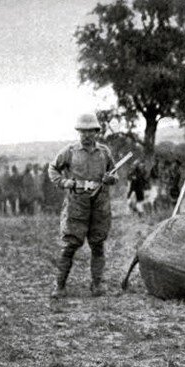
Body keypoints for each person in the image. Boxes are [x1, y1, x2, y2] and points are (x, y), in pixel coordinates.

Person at [48, 112, 117, 298]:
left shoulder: (104, 152)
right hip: (77, 202)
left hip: (99, 203)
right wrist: (64, 182)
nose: (87, 135)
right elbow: (53, 168)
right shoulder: (69, 152)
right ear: (78, 132)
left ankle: (97, 285)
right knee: (70, 245)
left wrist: (110, 178)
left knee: (98, 244)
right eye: (83, 131)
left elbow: (114, 174)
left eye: (90, 131)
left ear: (96, 132)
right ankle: (60, 286)